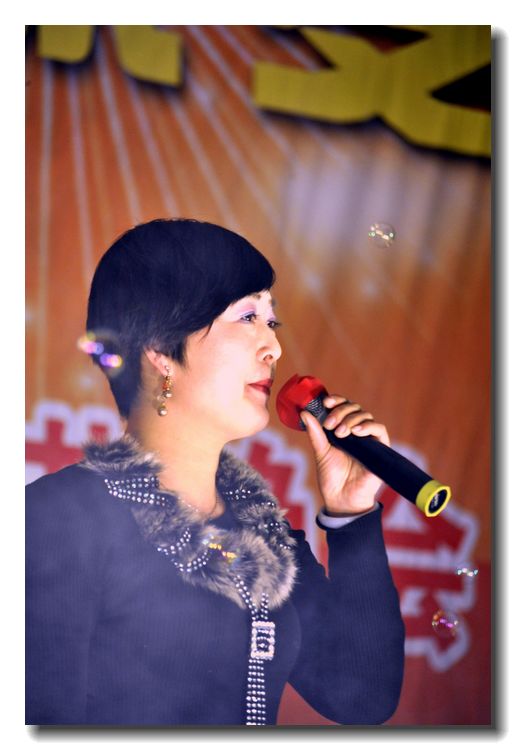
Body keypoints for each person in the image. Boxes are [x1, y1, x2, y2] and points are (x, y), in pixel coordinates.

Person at [25, 218, 405, 726]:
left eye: (272, 322)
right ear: (160, 349)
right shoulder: (55, 519)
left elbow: (362, 696)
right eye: (247, 317)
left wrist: (352, 515)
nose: (273, 348)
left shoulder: (264, 537)